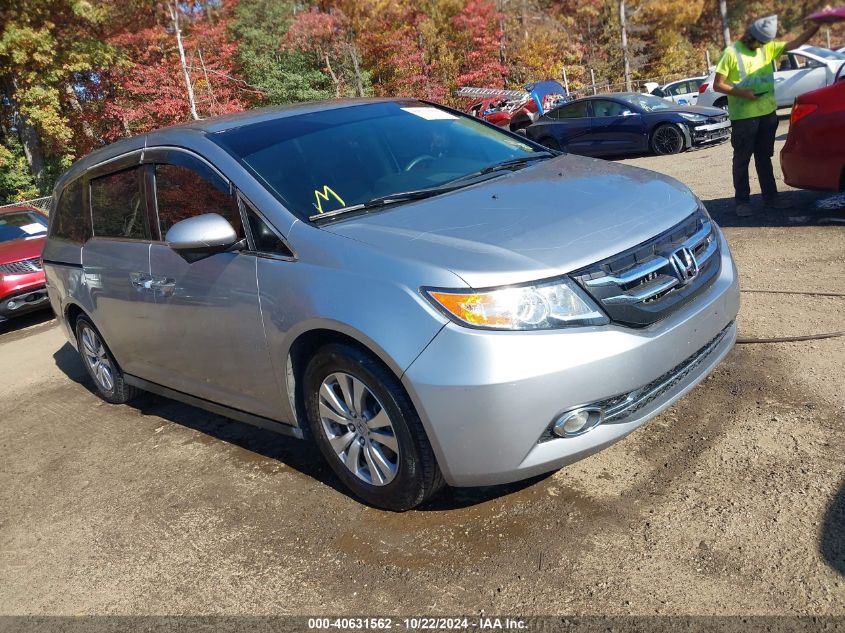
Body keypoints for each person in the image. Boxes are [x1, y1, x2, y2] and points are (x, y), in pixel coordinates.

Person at [713, 14, 822, 217]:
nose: (763, 45)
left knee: (764, 158)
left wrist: (816, 27)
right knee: (742, 159)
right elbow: (717, 84)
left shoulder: (767, 47)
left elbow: (796, 43)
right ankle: (742, 201)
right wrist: (742, 93)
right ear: (750, 35)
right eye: (760, 41)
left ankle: (771, 198)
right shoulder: (731, 53)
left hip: (767, 115)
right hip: (744, 118)